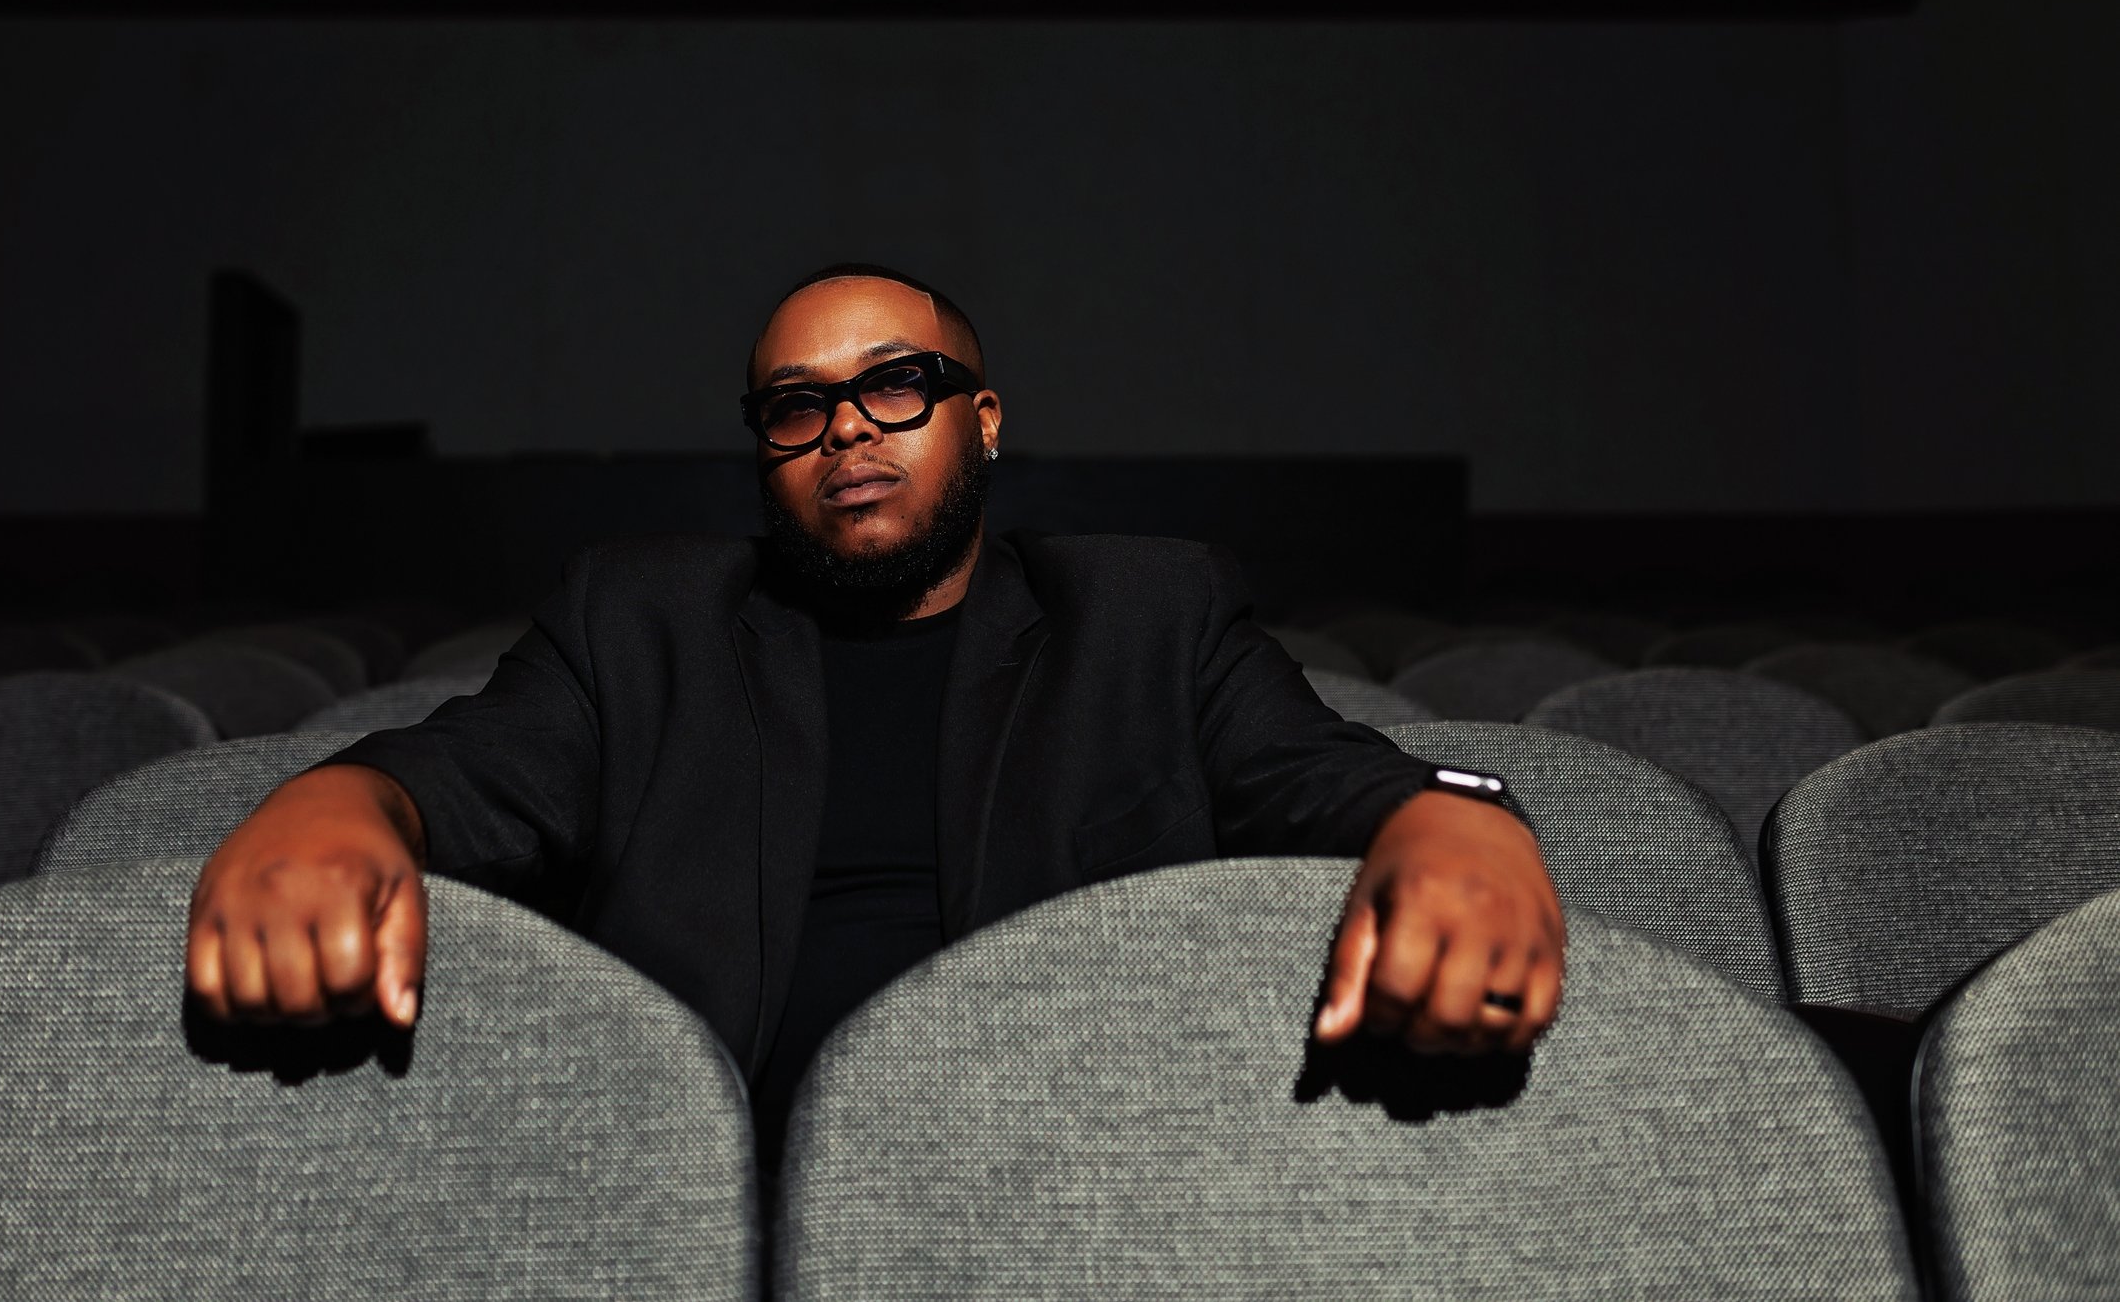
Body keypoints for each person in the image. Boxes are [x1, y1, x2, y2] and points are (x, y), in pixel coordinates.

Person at [187, 264, 1565, 1175]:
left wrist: (1457, 820)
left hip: (1068, 1183)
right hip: (710, 1185)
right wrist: (334, 802)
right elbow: (456, 776)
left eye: (895, 386)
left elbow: (1329, 779)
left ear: (984, 422)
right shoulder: (641, 618)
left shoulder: (1146, 612)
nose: (847, 430)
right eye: (798, 406)